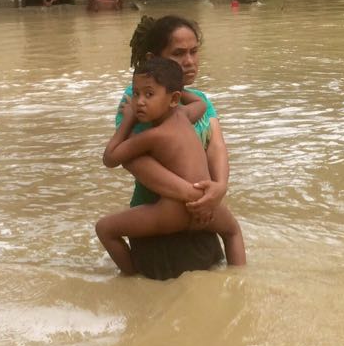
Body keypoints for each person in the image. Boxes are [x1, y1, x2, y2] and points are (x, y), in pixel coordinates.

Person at [104, 14, 243, 279]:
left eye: (194, 51)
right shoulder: (141, 101)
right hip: (163, 220)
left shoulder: (196, 100)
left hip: (202, 215)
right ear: (153, 58)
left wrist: (219, 188)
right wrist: (194, 195)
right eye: (179, 53)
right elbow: (136, 162)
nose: (189, 61)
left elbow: (216, 147)